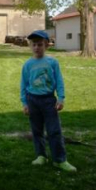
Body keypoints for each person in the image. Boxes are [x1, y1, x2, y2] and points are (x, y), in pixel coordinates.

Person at [20, 30, 77, 172]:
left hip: (48, 101)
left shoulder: (53, 62)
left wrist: (61, 98)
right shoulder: (27, 65)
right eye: (34, 45)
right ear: (30, 46)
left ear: (46, 45)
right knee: (37, 131)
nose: (36, 48)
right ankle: (41, 156)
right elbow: (24, 84)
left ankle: (59, 159)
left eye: (40, 44)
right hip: (33, 101)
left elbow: (59, 81)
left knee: (54, 131)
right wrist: (25, 103)